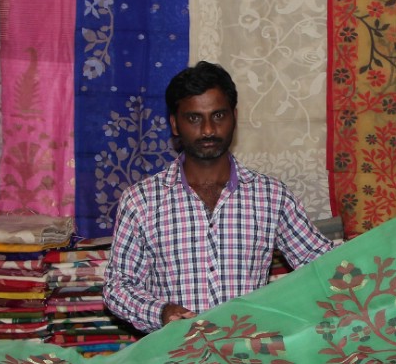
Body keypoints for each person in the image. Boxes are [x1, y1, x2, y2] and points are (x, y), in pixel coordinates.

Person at [103, 61, 333, 332]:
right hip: (174, 360)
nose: (209, 130)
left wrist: (388, 253)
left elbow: (324, 264)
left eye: (219, 116)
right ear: (175, 124)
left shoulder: (271, 196)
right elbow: (118, 286)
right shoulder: (141, 200)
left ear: (234, 117)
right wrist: (161, 312)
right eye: (194, 118)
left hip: (250, 357)